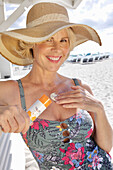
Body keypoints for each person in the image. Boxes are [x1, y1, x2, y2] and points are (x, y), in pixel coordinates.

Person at [0, 2, 112, 170]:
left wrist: (100, 109)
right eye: (48, 39)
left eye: (63, 40)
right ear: (32, 43)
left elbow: (106, 147)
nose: (57, 48)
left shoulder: (79, 87)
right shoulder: (11, 91)